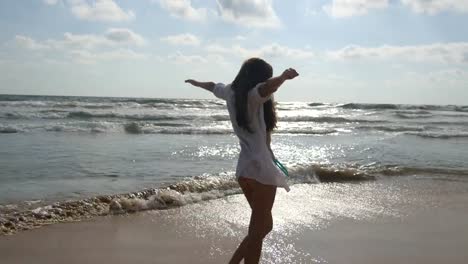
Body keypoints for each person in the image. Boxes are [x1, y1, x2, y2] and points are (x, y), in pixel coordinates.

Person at [185, 58, 299, 264]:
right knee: (257, 233)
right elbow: (266, 88)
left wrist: (197, 83)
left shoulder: (230, 92)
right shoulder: (253, 95)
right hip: (262, 171)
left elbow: (213, 86)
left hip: (244, 171)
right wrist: (282, 78)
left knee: (264, 227)